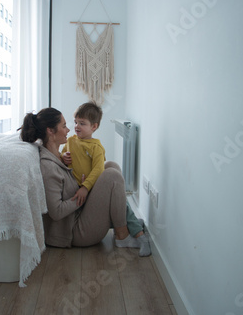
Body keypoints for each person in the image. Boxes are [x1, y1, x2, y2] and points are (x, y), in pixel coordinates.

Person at [20, 107, 150, 256]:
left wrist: (81, 182)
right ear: (50, 131)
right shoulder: (48, 166)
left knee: (110, 166)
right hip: (73, 231)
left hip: (79, 214)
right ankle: (123, 234)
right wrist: (86, 192)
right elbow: (56, 212)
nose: (69, 129)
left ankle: (126, 222)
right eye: (64, 125)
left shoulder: (58, 155)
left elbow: (69, 180)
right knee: (112, 176)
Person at [60, 102, 149, 255]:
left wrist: (86, 187)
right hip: (78, 194)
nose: (76, 126)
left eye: (82, 123)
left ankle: (129, 225)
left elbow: (98, 170)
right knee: (113, 173)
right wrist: (63, 158)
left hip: (88, 190)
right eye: (75, 122)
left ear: (94, 127)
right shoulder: (71, 141)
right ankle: (132, 225)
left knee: (111, 167)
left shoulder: (96, 147)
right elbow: (64, 158)